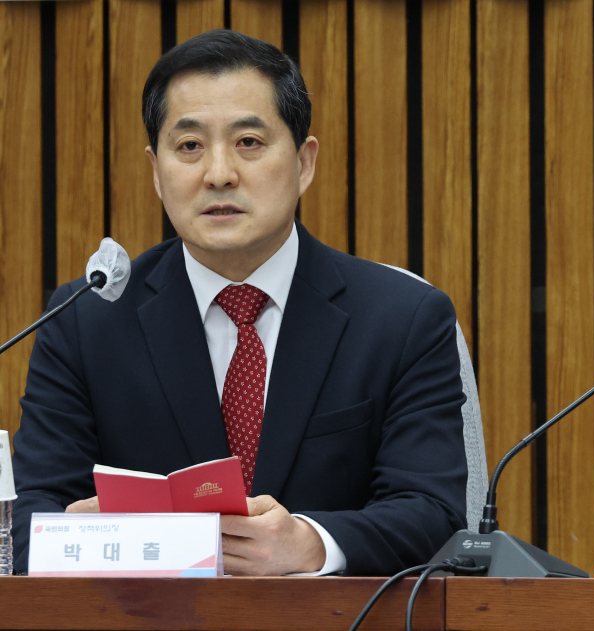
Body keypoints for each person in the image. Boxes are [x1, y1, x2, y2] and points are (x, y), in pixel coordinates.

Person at [12, 29, 468, 576]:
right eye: (189, 147)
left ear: (303, 162)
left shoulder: (403, 318)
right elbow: (25, 520)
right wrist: (79, 539)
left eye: (248, 142)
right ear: (157, 172)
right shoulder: (86, 319)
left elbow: (433, 512)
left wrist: (315, 543)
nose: (219, 173)